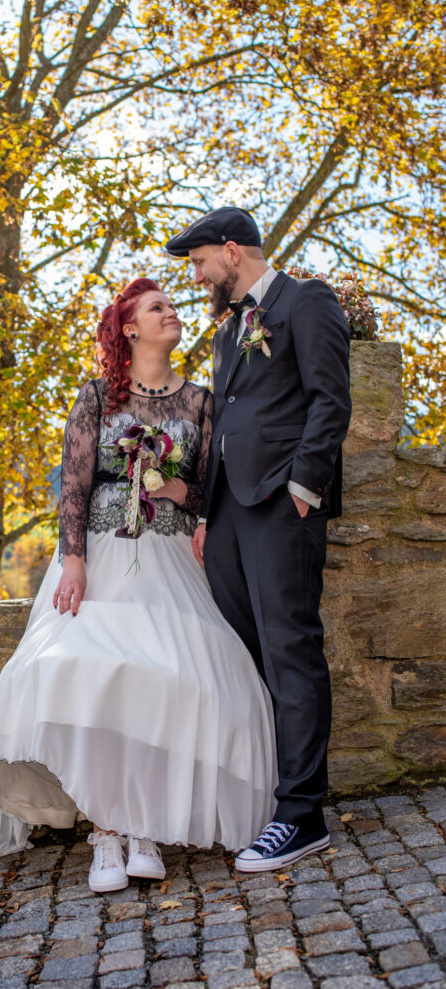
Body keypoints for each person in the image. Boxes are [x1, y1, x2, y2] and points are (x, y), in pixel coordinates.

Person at [0, 277, 277, 892]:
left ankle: (146, 824)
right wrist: (74, 560)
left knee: (178, 682)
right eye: (157, 307)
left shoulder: (199, 401)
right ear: (130, 327)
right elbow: (74, 489)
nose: (173, 313)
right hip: (103, 559)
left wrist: (176, 491)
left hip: (172, 558)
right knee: (88, 676)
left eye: (172, 306)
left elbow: (212, 491)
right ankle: (107, 833)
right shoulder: (95, 397)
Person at [166, 207, 352, 872]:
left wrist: (303, 489)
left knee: (291, 653)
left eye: (199, 264)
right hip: (230, 518)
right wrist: (209, 515)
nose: (196, 277)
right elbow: (226, 425)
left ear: (231, 251)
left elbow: (331, 399)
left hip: (281, 507)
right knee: (247, 660)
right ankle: (262, 799)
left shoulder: (307, 301)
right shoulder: (227, 334)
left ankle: (302, 816)